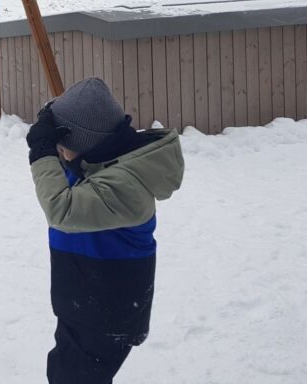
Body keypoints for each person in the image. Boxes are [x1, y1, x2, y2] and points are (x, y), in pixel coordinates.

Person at [25, 77, 185, 384]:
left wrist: (41, 151)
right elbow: (61, 177)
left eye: (63, 147)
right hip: (85, 299)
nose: (60, 154)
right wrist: (51, 121)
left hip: (105, 313)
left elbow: (61, 209)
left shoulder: (125, 185)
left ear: (85, 144)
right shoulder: (98, 162)